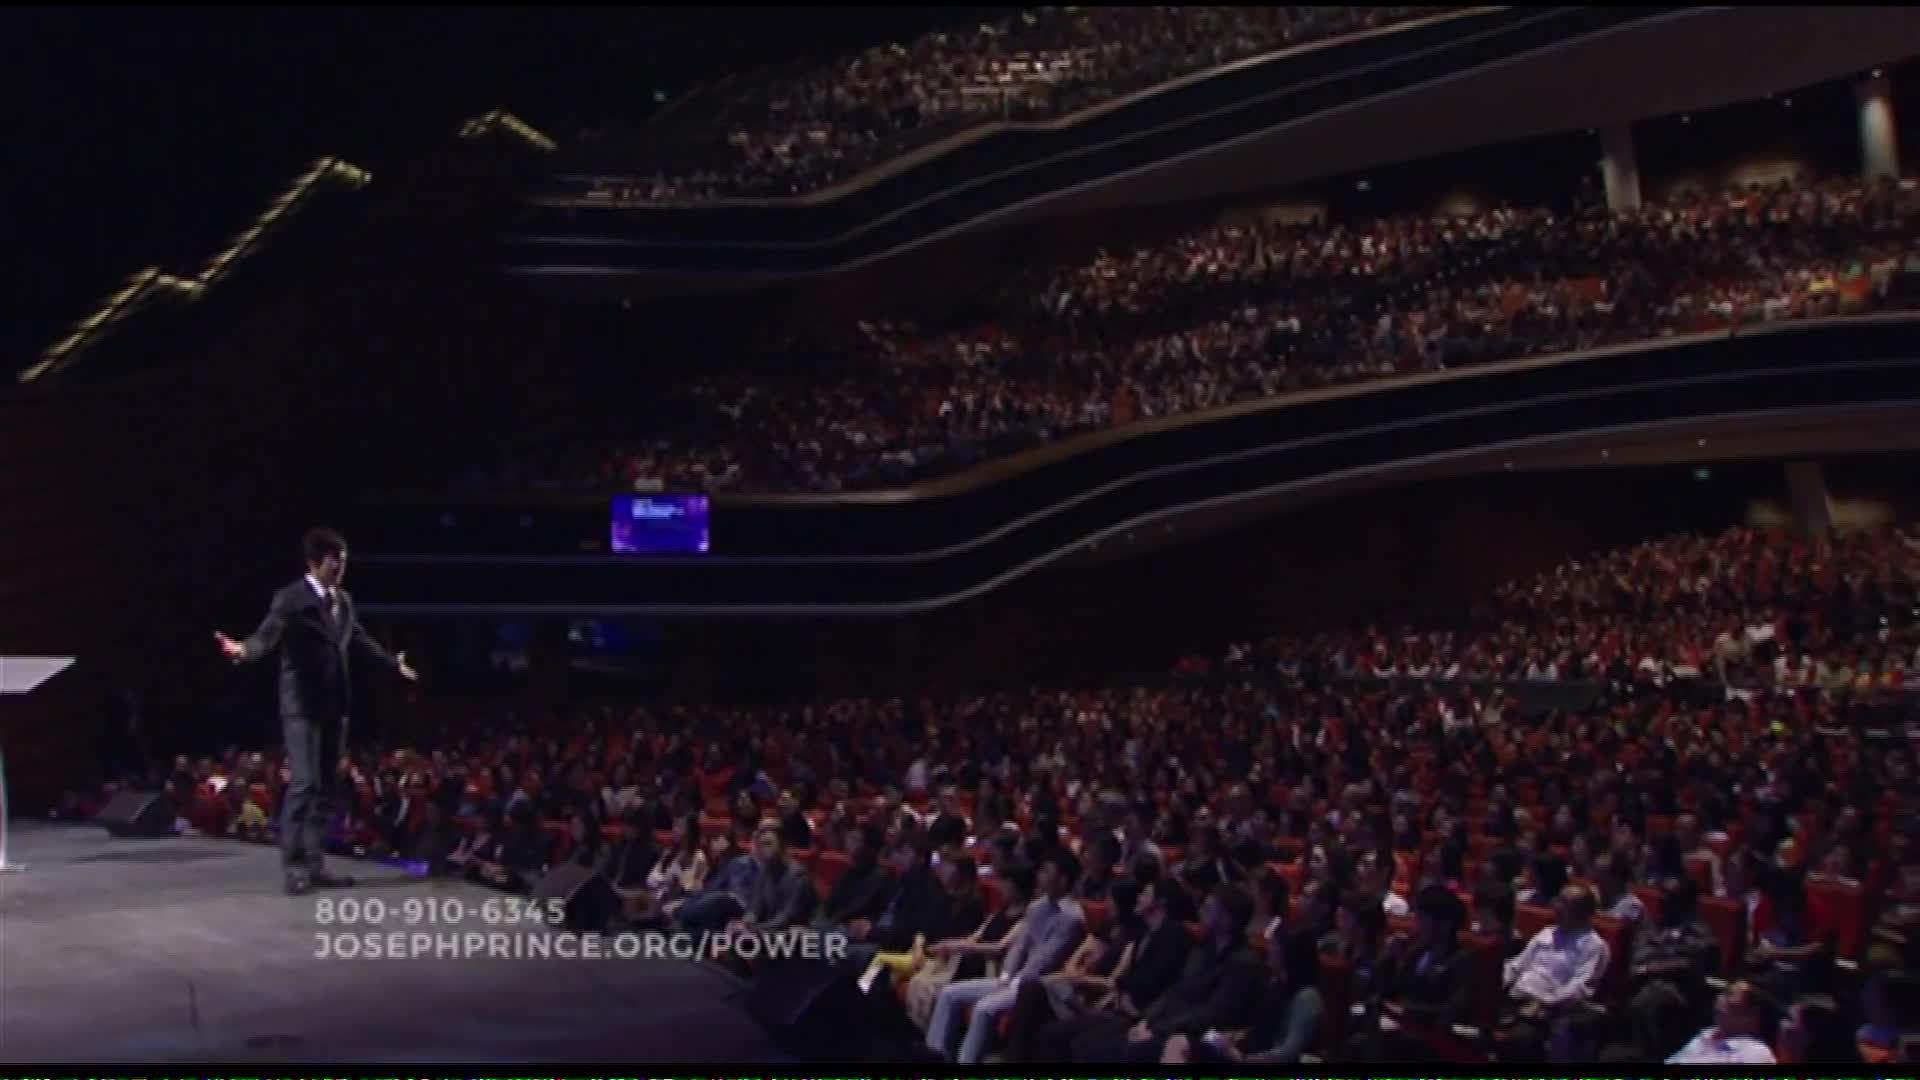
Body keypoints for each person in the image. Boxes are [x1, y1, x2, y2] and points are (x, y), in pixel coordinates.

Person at [214, 527, 417, 895]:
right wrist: (243, 650)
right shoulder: (291, 599)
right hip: (301, 706)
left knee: (325, 787)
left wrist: (392, 665)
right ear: (314, 562)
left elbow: (358, 639)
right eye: (333, 560)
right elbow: (267, 635)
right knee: (305, 783)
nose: (340, 566)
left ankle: (314, 862)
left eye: (343, 560)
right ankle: (293, 867)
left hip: (334, 706)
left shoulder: (345, 602)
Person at [1071, 883, 1265, 1063]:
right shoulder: (1204, 948)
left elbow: (1213, 1013)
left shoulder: (1243, 963)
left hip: (1198, 1037)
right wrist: (1147, 1021)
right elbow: (1177, 991)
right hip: (1166, 1023)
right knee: (1086, 1043)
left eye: (1210, 907)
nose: (1202, 911)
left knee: (1115, 1053)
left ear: (1227, 918)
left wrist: (1158, 1029)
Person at [926, 848, 1086, 1063]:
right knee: (948, 994)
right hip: (1012, 978)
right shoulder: (1037, 907)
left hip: (1038, 987)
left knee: (984, 1008)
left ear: (1063, 880)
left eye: (1047, 872)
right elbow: (1020, 947)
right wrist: (1006, 976)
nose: (1041, 876)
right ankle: (935, 1058)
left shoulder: (1071, 917)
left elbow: (1047, 958)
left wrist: (1017, 981)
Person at [1162, 924, 1324, 1065]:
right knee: (1178, 1042)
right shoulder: (1277, 984)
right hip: (1244, 1051)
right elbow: (1261, 1028)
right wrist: (1232, 1038)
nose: (1270, 951)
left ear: (1289, 954)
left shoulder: (1306, 997)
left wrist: (1244, 1058)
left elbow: (1287, 1053)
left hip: (1255, 1059)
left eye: (1275, 946)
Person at [1497, 885, 1611, 1062]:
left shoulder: (1594, 946)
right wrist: (1494, 981)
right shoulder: (1547, 932)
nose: (1556, 906)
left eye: (1564, 903)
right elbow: (1516, 965)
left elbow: (1579, 989)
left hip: (1546, 1011)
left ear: (1582, 912)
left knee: (1519, 1039)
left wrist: (1544, 1004)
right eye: (1558, 900)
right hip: (1513, 998)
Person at [1666, 980, 1778, 1064]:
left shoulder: (1755, 1053)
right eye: (1723, 993)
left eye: (1729, 994)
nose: (1720, 998)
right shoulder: (1706, 1034)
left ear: (1752, 1014)